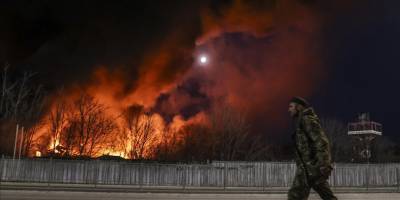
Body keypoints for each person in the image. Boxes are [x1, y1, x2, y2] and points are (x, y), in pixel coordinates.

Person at [287, 97, 337, 200]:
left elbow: (321, 141)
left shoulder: (307, 120)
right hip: (308, 167)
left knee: (295, 195)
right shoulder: (302, 121)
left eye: (291, 106)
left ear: (299, 107)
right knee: (326, 194)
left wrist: (323, 164)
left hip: (312, 166)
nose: (289, 110)